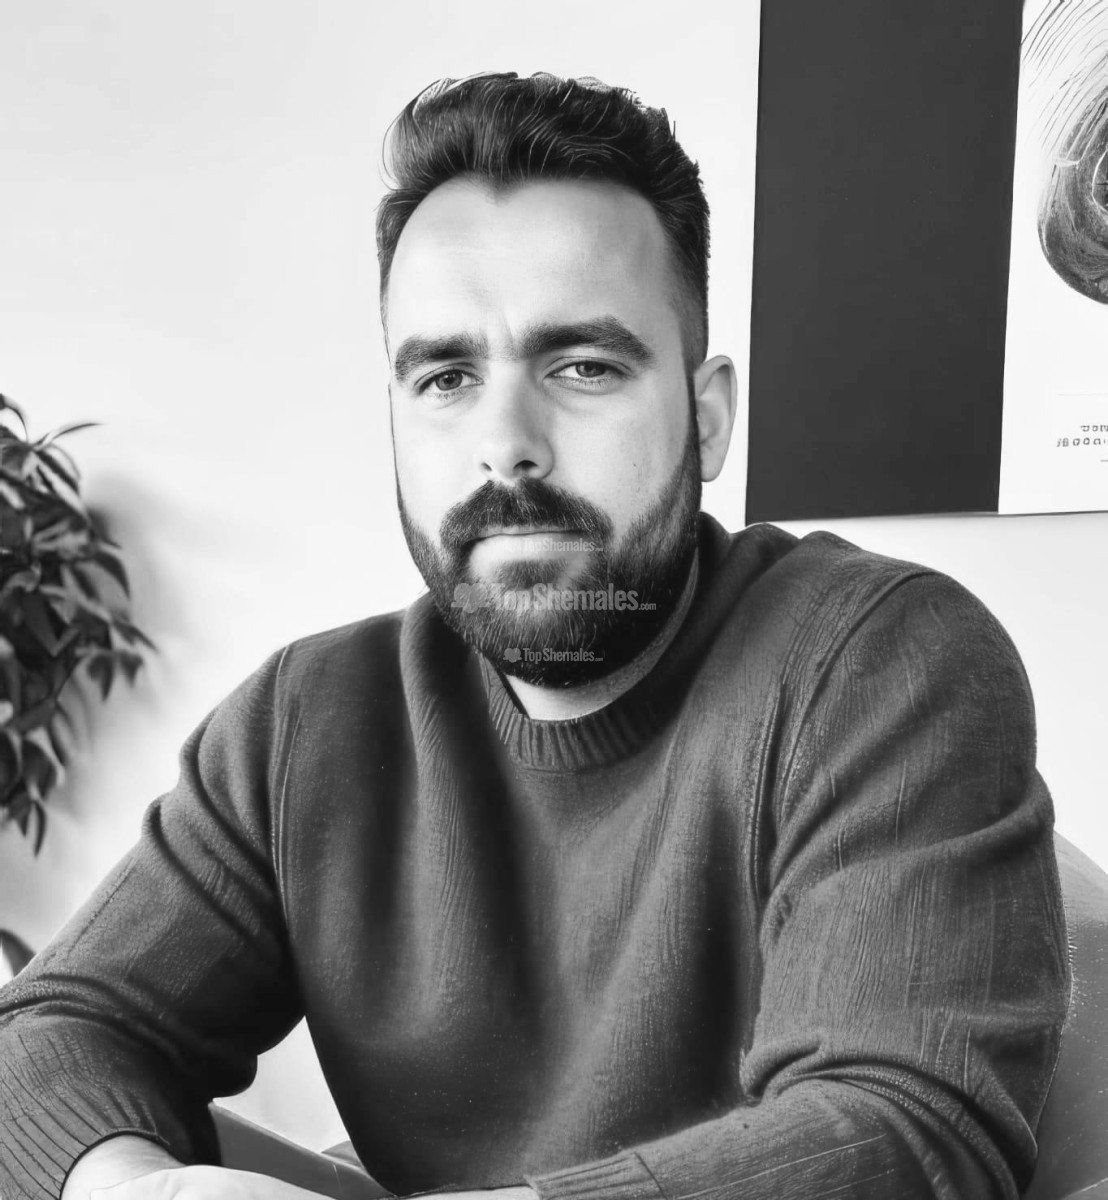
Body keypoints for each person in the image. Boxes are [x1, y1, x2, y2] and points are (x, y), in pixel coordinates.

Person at [0, 72, 1069, 1200]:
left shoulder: (882, 660)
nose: (506, 443)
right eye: (446, 377)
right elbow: (53, 1031)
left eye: (583, 367)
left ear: (707, 418)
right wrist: (143, 1189)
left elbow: (906, 1135)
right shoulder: (304, 720)